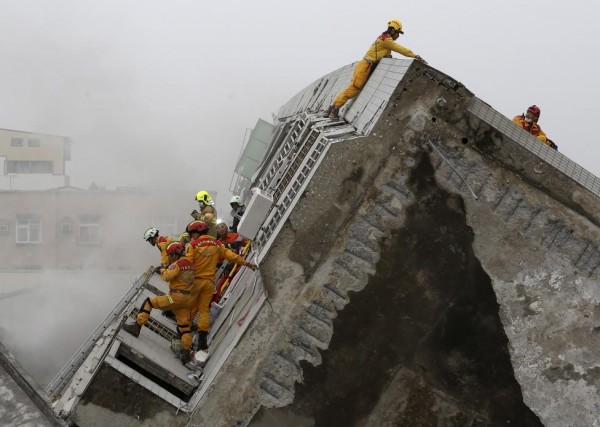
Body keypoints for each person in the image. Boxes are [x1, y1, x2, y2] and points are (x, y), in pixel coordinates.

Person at [323, 19, 427, 120]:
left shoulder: (383, 38)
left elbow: (384, 53)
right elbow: (400, 49)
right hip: (365, 67)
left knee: (351, 88)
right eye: (398, 33)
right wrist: (415, 55)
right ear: (393, 31)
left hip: (364, 66)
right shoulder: (386, 40)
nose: (398, 36)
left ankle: (330, 109)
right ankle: (334, 110)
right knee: (352, 90)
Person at [185, 220, 257, 350]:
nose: (191, 237)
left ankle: (184, 336)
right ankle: (202, 341)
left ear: (196, 233)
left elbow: (188, 265)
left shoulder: (193, 245)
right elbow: (232, 256)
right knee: (203, 311)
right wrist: (247, 264)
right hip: (209, 283)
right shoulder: (217, 243)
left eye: (192, 234)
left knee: (190, 309)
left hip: (196, 282)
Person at [122, 242, 197, 364]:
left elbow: (167, 276)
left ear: (175, 253)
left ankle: (136, 327)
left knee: (149, 302)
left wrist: (161, 269)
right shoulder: (191, 265)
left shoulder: (178, 264)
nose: (170, 257)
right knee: (184, 327)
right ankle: (186, 354)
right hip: (187, 299)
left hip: (175, 298)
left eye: (171, 255)